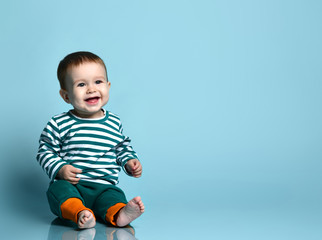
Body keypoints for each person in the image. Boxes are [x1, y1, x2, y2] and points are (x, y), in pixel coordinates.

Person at [37, 51, 144, 229]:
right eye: (81, 84)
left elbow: (122, 148)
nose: (91, 89)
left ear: (108, 86)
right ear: (66, 96)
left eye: (98, 82)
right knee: (58, 191)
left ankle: (119, 214)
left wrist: (130, 161)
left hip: (104, 186)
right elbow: (45, 151)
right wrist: (60, 169)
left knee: (113, 196)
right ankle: (79, 213)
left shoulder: (113, 122)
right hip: (73, 185)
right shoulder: (59, 123)